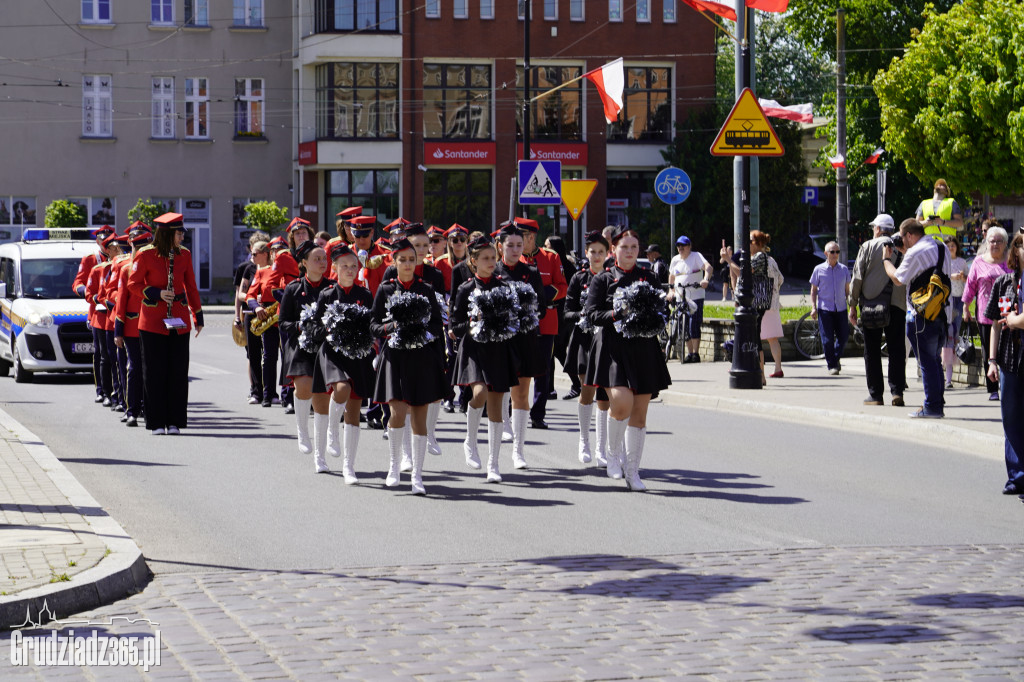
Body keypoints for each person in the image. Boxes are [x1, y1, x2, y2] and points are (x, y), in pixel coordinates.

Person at [585, 226, 671, 491]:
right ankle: (613, 455)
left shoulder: (649, 277)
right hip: (613, 348)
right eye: (625, 247)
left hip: (643, 349)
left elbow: (661, 310)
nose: (630, 252)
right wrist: (617, 313)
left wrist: (653, 314)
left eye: (634, 247)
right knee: (621, 403)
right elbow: (592, 314)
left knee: (640, 413)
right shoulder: (603, 279)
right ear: (614, 250)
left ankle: (633, 472)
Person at [370, 238, 447, 495]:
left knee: (419, 417)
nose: (407, 264)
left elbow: (437, 324)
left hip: (420, 358)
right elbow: (373, 325)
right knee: (397, 413)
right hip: (394, 358)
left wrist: (422, 335)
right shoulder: (385, 289)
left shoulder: (425, 289)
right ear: (394, 262)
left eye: (411, 260)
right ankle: (394, 467)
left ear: (418, 261)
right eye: (402, 260)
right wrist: (392, 328)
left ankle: (417, 476)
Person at [450, 235, 519, 482]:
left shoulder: (503, 286)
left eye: (493, 257)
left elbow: (514, 319)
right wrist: (473, 321)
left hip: (498, 349)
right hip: (474, 350)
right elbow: (455, 325)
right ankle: (470, 441)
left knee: (498, 405)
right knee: (479, 394)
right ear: (473, 261)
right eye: (485, 258)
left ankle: (494, 464)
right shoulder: (465, 288)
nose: (491, 262)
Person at [127, 212, 204, 435]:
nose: (182, 238)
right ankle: (156, 422)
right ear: (168, 234)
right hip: (152, 322)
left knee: (178, 372)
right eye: (179, 234)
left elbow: (191, 286)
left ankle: (174, 421)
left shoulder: (185, 255)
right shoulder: (145, 254)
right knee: (154, 372)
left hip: (178, 320)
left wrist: (198, 316)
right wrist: (157, 293)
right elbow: (133, 284)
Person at [314, 240, 376, 484]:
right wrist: (330, 327)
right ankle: (331, 429)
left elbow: (372, 327)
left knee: (354, 410)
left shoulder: (366, 295)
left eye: (353, 266)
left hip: (358, 356)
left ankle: (349, 467)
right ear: (335, 268)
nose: (350, 270)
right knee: (342, 388)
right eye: (344, 266)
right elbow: (317, 328)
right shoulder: (327, 294)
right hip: (333, 353)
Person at [883, 218, 951, 418]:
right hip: (941, 312)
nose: (902, 241)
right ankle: (937, 402)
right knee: (934, 360)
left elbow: (897, 279)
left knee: (926, 362)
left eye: (903, 237)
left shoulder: (914, 252)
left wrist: (886, 260)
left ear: (909, 235)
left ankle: (932, 406)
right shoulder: (941, 246)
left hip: (920, 315)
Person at [279, 241, 334, 472]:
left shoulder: (331, 288)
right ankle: (302, 430)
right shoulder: (293, 289)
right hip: (300, 346)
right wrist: (301, 326)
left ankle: (320, 457)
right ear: (304, 263)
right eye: (317, 259)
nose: (322, 263)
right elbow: (283, 322)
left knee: (321, 400)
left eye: (324, 258)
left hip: (323, 347)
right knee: (303, 385)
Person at [495, 224, 547, 465]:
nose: (516, 250)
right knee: (498, 390)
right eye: (510, 245)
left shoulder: (532, 272)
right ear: (500, 247)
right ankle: (495, 441)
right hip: (499, 340)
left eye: (519, 245)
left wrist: (525, 313)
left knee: (521, 393)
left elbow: (542, 309)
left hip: (525, 339)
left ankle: (518, 450)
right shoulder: (493, 271)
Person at [849, 214, 907, 407]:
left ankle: (875, 395)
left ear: (877, 229)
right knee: (897, 349)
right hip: (897, 304)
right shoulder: (902, 247)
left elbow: (857, 277)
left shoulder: (867, 246)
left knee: (872, 350)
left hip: (871, 305)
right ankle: (897, 392)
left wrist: (852, 305)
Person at [515, 217, 567, 430]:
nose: (517, 241)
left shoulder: (551, 257)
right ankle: (514, 409)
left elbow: (561, 286)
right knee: (517, 367)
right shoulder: (512, 256)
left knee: (543, 369)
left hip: (546, 320)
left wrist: (539, 296)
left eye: (521, 237)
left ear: (531, 237)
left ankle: (538, 414)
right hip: (518, 322)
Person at [564, 232, 612, 465]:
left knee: (605, 396)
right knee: (587, 391)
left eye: (601, 252)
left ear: (607, 254)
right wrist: (582, 315)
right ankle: (584, 440)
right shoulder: (578, 278)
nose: (596, 256)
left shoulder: (612, 278)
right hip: (584, 340)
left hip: (606, 341)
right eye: (592, 252)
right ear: (586, 253)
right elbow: (567, 311)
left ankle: (602, 448)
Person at [984, 230, 1024, 497]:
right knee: (1010, 418)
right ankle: (1017, 477)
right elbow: (995, 326)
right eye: (1020, 245)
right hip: (1010, 359)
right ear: (1015, 251)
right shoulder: (1004, 283)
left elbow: (1010, 321)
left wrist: (1014, 320)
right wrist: (992, 360)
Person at [963, 223, 1011, 401]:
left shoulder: (1010, 262)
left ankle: (1006, 385)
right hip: (985, 314)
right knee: (988, 351)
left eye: (1000, 241)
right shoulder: (979, 261)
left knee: (1005, 350)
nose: (995, 244)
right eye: (992, 241)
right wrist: (966, 306)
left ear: (1005, 243)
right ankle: (993, 389)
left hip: (1008, 313)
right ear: (987, 242)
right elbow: (970, 285)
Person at [113, 225, 153, 427]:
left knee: (151, 369)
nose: (143, 249)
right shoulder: (126, 268)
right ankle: (132, 410)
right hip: (131, 326)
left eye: (146, 245)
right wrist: (118, 330)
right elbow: (121, 301)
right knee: (134, 368)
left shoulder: (156, 267)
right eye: (140, 246)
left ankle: (149, 408)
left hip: (153, 325)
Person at [73, 225, 114, 403]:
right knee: (100, 353)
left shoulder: (119, 258)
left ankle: (114, 390)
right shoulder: (91, 260)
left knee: (113, 353)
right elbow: (78, 283)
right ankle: (101, 390)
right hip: (97, 310)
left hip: (113, 310)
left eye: (108, 240)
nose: (105, 244)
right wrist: (90, 294)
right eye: (102, 240)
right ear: (97, 241)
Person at [545, 234, 581, 400]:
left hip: (561, 314)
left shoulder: (564, 266)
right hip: (559, 313)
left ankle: (576, 382)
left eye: (548, 246)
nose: (545, 249)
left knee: (557, 350)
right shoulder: (556, 264)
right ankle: (550, 388)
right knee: (553, 351)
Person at [667, 235, 713, 363]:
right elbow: (671, 276)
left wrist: (705, 279)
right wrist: (671, 291)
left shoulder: (696, 256)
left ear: (689, 246)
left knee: (694, 323)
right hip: (680, 296)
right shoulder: (675, 260)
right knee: (683, 325)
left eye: (683, 245)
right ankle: (688, 352)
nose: (680, 248)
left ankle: (695, 353)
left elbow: (708, 268)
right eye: (678, 246)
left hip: (695, 295)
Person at [810, 240, 852, 375]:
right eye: (832, 252)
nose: (835, 254)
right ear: (826, 253)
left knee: (844, 337)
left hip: (841, 308)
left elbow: (847, 291)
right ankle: (832, 365)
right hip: (825, 309)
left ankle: (834, 358)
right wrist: (813, 307)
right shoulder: (818, 269)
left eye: (837, 252)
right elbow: (813, 290)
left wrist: (852, 307)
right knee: (827, 340)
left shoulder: (844, 269)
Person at [748, 231, 785, 382]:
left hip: (761, 302)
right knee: (772, 338)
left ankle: (760, 374)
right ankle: (778, 367)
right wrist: (774, 290)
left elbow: (746, 274)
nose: (747, 243)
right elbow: (781, 278)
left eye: (750, 241)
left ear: (757, 243)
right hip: (773, 303)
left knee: (757, 339)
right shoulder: (772, 260)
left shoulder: (757, 259)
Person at [942, 236, 968, 388]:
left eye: (953, 245)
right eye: (948, 246)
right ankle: (947, 377)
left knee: (955, 333)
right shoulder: (944, 262)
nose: (951, 248)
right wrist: (952, 276)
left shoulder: (962, 262)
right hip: (947, 300)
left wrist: (962, 277)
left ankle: (949, 376)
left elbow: (968, 279)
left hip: (959, 300)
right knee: (947, 335)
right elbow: (942, 277)